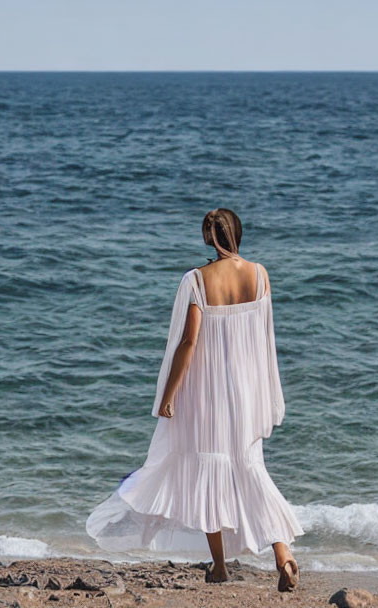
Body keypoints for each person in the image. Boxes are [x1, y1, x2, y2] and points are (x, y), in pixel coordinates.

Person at [86, 208, 303, 592]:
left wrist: (168, 396)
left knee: (209, 475)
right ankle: (282, 554)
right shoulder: (260, 274)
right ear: (238, 233)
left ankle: (219, 566)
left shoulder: (198, 280)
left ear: (208, 237)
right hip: (247, 391)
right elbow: (264, 337)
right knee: (251, 469)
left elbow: (189, 343)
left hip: (207, 393)